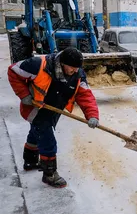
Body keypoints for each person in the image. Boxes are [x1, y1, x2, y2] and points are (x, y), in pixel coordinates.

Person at [8, 47, 100, 188]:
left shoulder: (78, 74)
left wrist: (92, 115)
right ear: (62, 63)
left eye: (77, 68)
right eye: (72, 67)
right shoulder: (38, 64)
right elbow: (13, 70)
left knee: (36, 132)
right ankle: (49, 174)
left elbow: (85, 95)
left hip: (53, 109)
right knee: (47, 140)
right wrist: (24, 94)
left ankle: (30, 161)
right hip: (35, 108)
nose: (75, 71)